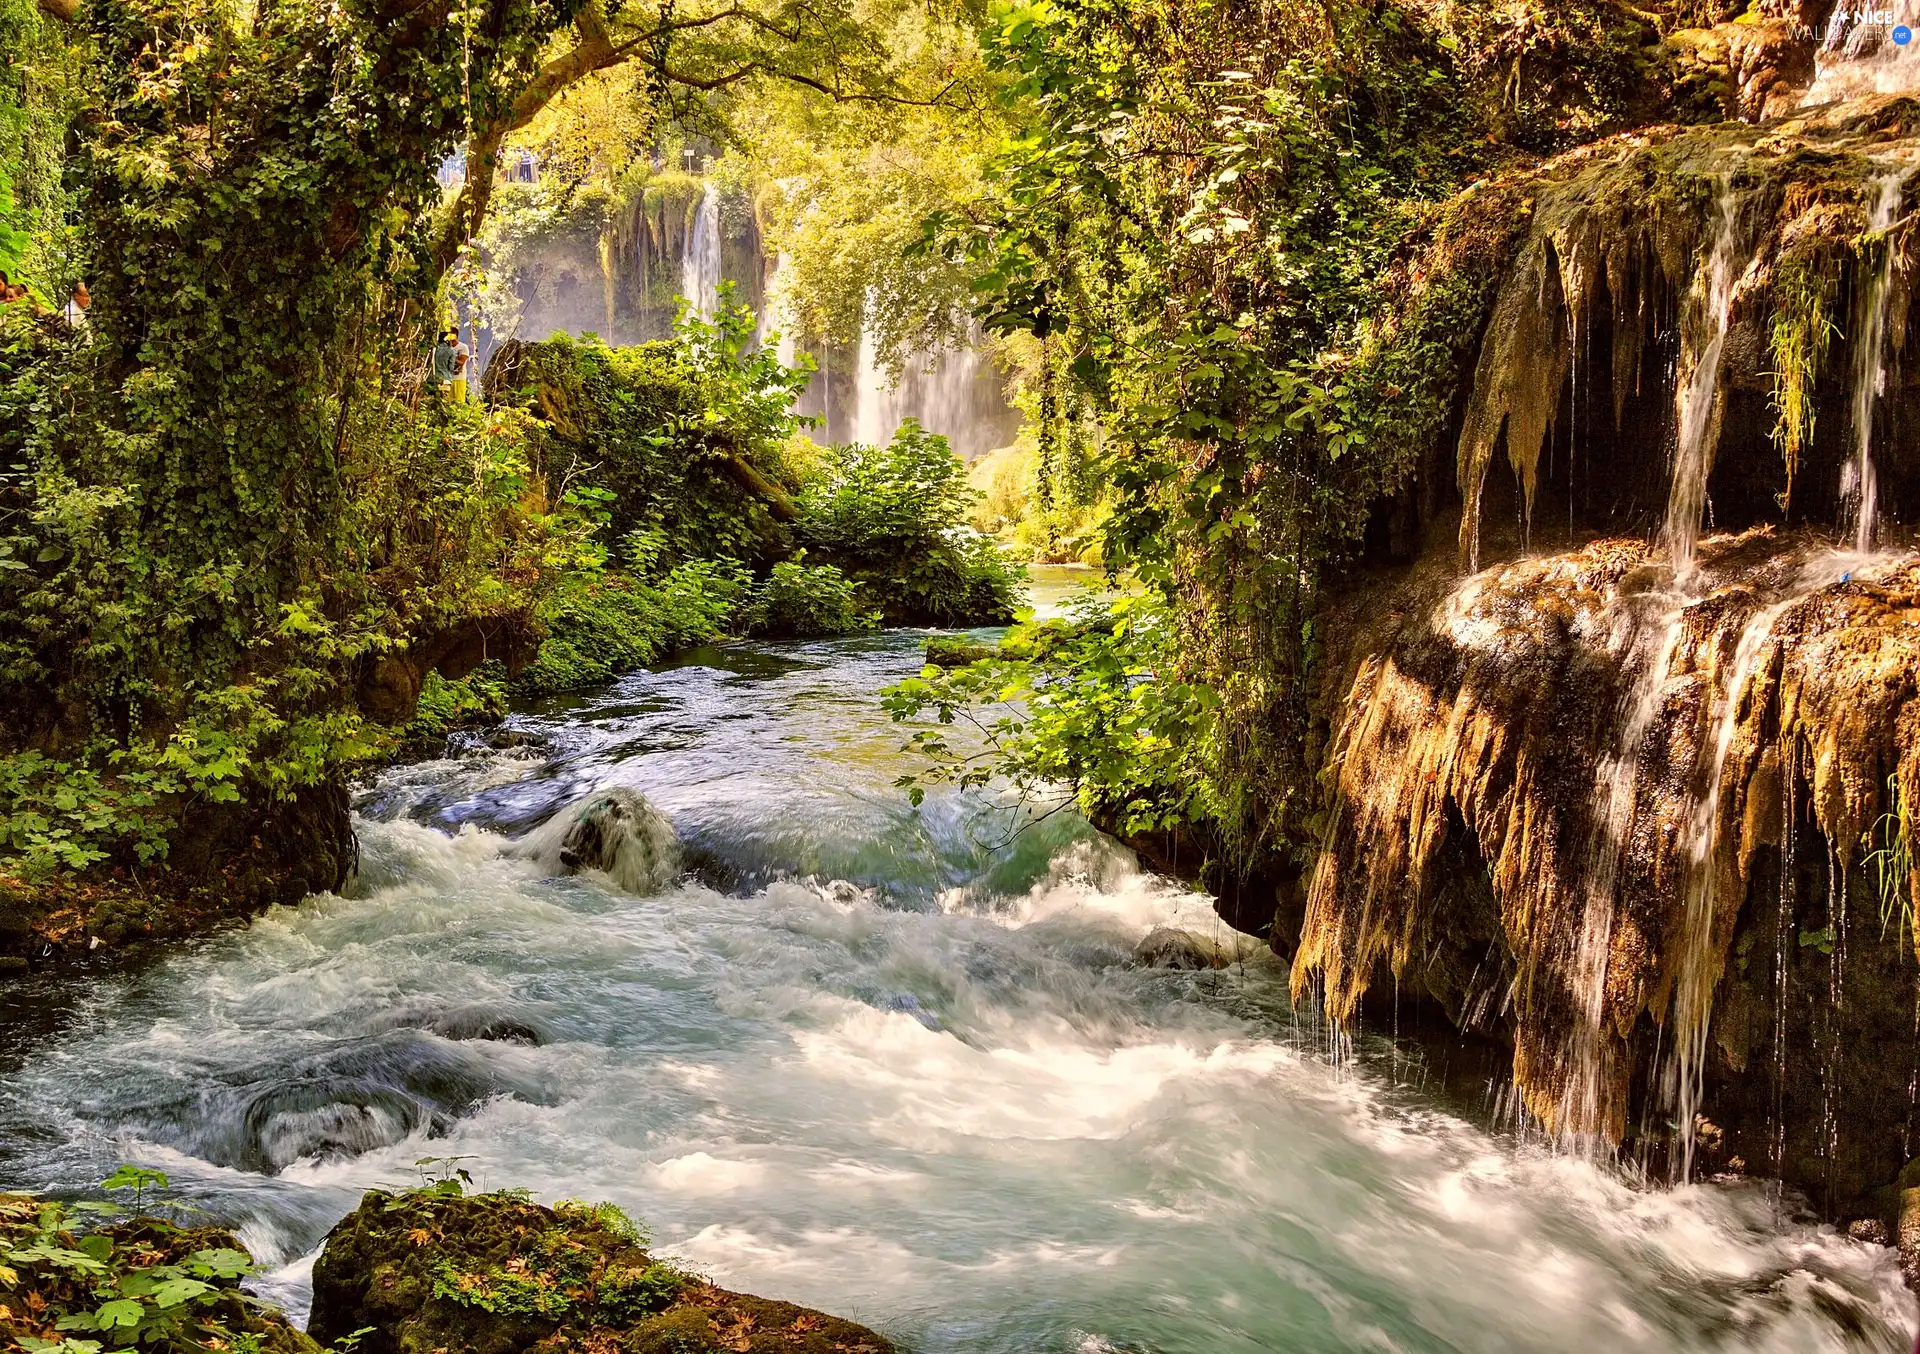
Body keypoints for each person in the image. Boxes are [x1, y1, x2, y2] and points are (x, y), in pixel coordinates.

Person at [427, 329, 457, 393]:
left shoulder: (432, 349)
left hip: (431, 378)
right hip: (444, 379)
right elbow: (451, 367)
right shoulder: (451, 351)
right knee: (442, 400)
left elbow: (428, 363)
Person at [451, 329, 471, 402]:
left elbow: (461, 362)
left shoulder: (463, 347)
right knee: (448, 403)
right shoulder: (446, 347)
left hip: (459, 378)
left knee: (459, 402)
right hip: (447, 379)